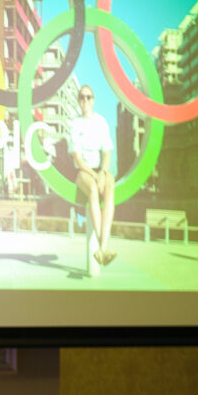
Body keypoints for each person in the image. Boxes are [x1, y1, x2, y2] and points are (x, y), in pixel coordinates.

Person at [69, 85, 117, 265]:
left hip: (100, 168)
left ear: (93, 100)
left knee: (110, 185)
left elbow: (106, 153)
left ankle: (102, 248)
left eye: (89, 97)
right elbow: (78, 158)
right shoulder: (75, 124)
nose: (85, 100)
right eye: (82, 97)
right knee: (93, 190)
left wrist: (103, 172)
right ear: (78, 100)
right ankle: (102, 246)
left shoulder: (101, 122)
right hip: (83, 171)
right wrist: (95, 175)